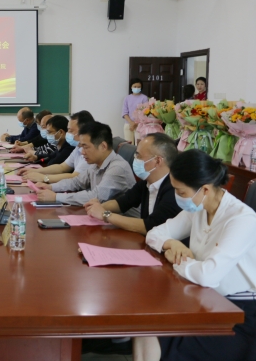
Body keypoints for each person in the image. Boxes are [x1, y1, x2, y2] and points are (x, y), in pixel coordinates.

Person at [134, 150, 256, 361]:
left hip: (239, 313)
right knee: (144, 326)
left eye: (181, 193)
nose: (177, 198)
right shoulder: (199, 208)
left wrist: (178, 259)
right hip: (203, 299)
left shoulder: (241, 219)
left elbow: (208, 275)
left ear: (205, 189)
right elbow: (154, 233)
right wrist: (170, 243)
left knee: (155, 333)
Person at [85, 133, 181, 234]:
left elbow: (149, 226)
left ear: (157, 161)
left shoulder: (174, 189)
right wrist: (97, 208)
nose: (135, 159)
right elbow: (122, 203)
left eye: (138, 155)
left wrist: (105, 215)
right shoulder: (146, 182)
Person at [33, 121, 136, 206]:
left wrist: (56, 197)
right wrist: (51, 187)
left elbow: (96, 197)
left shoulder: (118, 168)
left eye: (85, 147)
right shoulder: (96, 164)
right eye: (81, 146)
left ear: (103, 146)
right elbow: (76, 182)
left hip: (126, 227)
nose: (82, 152)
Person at [20, 110, 95, 184]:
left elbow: (75, 176)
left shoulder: (90, 150)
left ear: (84, 131)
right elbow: (62, 167)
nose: (67, 134)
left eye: (70, 131)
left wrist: (44, 178)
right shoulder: (78, 147)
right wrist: (35, 171)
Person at [122, 78, 149, 144]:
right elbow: (124, 113)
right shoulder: (127, 98)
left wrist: (136, 124)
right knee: (128, 145)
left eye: (139, 87)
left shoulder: (144, 98)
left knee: (139, 144)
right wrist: (131, 123)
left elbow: (145, 112)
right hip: (128, 124)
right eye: (135, 86)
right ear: (131, 87)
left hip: (140, 125)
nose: (137, 88)